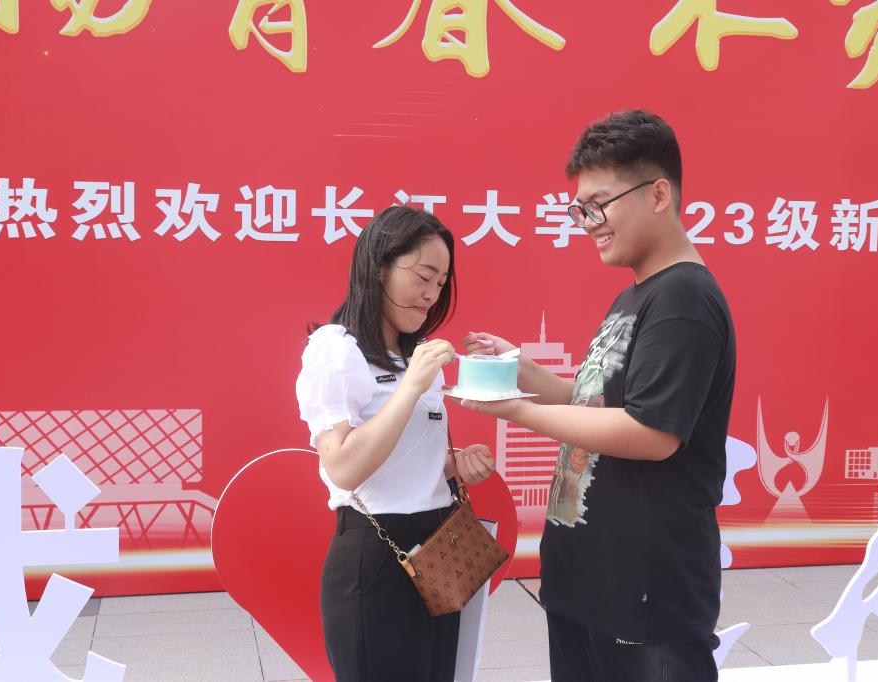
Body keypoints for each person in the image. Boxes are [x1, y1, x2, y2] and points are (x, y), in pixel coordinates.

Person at [459, 110, 736, 681]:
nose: (588, 223)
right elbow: (598, 405)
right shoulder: (639, 293)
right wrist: (523, 371)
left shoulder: (683, 298)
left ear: (658, 194)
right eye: (581, 209)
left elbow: (649, 432)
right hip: (590, 588)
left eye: (599, 204)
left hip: (644, 601)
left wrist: (517, 410)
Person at [296, 205, 496, 682]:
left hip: (441, 547)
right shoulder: (336, 347)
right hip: (377, 553)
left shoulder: (414, 356)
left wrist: (453, 465)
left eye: (441, 283)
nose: (432, 294)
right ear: (380, 266)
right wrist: (411, 387)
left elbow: (401, 456)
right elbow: (344, 467)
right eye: (424, 276)